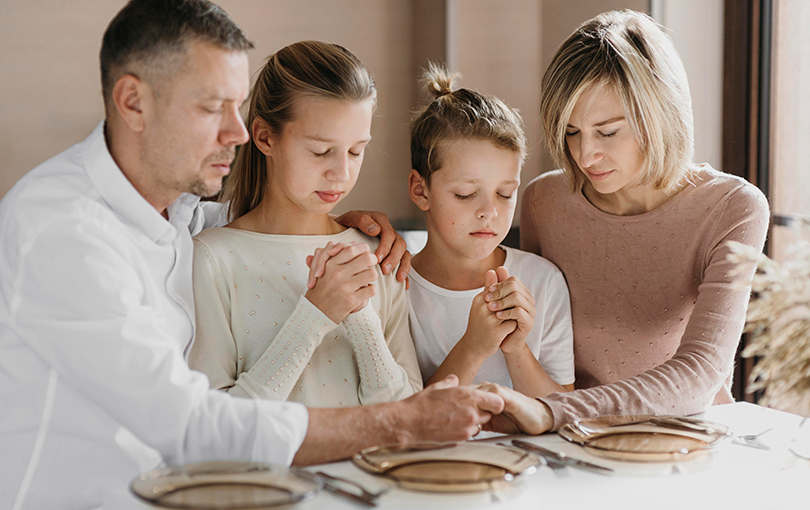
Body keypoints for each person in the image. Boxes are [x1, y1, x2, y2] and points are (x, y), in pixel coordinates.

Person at [0, 1, 505, 508]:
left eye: (237, 106)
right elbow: (193, 427)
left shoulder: (177, 213)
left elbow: (259, 234)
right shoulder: (62, 229)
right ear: (133, 101)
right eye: (210, 107)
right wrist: (400, 422)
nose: (238, 132)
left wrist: (344, 228)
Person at [481, 10, 770, 434]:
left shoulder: (733, 208)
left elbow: (701, 373)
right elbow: (532, 343)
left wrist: (556, 412)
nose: (584, 155)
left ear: (659, 116)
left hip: (679, 442)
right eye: (571, 132)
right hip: (566, 443)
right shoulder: (545, 200)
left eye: (608, 131)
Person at [189, 41, 422, 407]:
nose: (341, 173)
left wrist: (362, 322)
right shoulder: (212, 258)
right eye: (320, 151)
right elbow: (215, 427)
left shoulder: (379, 254)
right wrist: (315, 316)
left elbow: (411, 415)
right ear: (265, 137)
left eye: (356, 151)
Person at [405, 63, 575, 396]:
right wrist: (473, 347)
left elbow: (563, 408)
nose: (489, 211)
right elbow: (401, 415)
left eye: (505, 193)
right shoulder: (396, 290)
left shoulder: (543, 281)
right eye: (466, 194)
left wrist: (516, 349)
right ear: (420, 190)